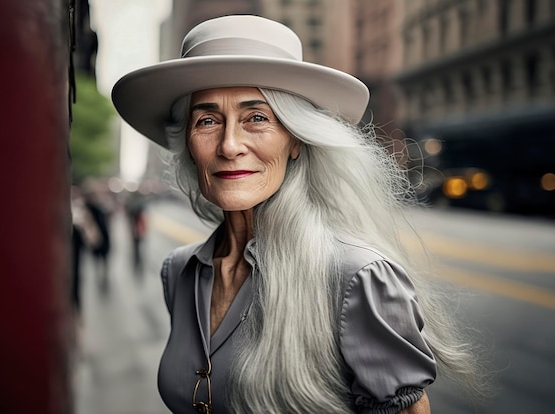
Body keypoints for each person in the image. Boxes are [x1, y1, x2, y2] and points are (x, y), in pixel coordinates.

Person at [112, 15, 485, 414]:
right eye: (207, 120)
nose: (230, 145)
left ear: (295, 140)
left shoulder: (357, 278)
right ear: (188, 143)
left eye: (257, 117)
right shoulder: (180, 272)